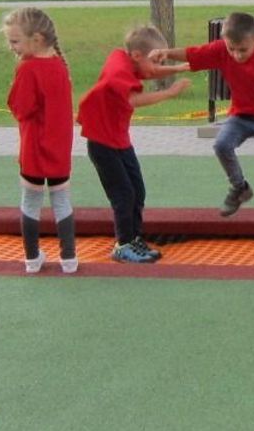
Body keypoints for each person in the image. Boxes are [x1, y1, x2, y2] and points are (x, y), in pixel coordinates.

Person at [154, 12, 254, 220]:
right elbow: (192, 53)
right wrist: (165, 53)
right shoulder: (221, 50)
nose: (237, 55)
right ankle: (240, 188)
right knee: (221, 144)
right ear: (224, 42)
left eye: (243, 50)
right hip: (240, 116)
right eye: (232, 49)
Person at [78, 25, 192, 264]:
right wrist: (170, 93)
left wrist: (178, 67)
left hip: (118, 139)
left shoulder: (131, 60)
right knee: (124, 194)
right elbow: (133, 99)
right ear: (138, 55)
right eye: (156, 59)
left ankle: (134, 237)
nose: (157, 65)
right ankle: (123, 245)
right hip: (102, 143)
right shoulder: (118, 69)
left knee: (137, 190)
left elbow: (147, 72)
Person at [2, 7, 78, 275]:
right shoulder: (59, 65)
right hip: (59, 147)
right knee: (61, 200)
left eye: (15, 41)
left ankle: (32, 257)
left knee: (31, 200)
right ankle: (69, 257)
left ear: (36, 39)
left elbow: (21, 108)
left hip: (34, 146)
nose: (12, 47)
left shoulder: (29, 68)